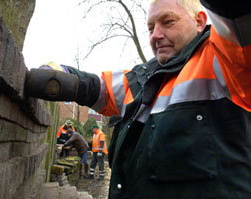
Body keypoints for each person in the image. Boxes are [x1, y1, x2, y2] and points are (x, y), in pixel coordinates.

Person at [26, 0, 251, 198]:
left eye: (168, 22)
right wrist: (61, 73)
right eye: (150, 27)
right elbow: (97, 88)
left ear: (200, 21)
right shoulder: (143, 77)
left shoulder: (227, 61)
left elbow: (237, 13)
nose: (155, 35)